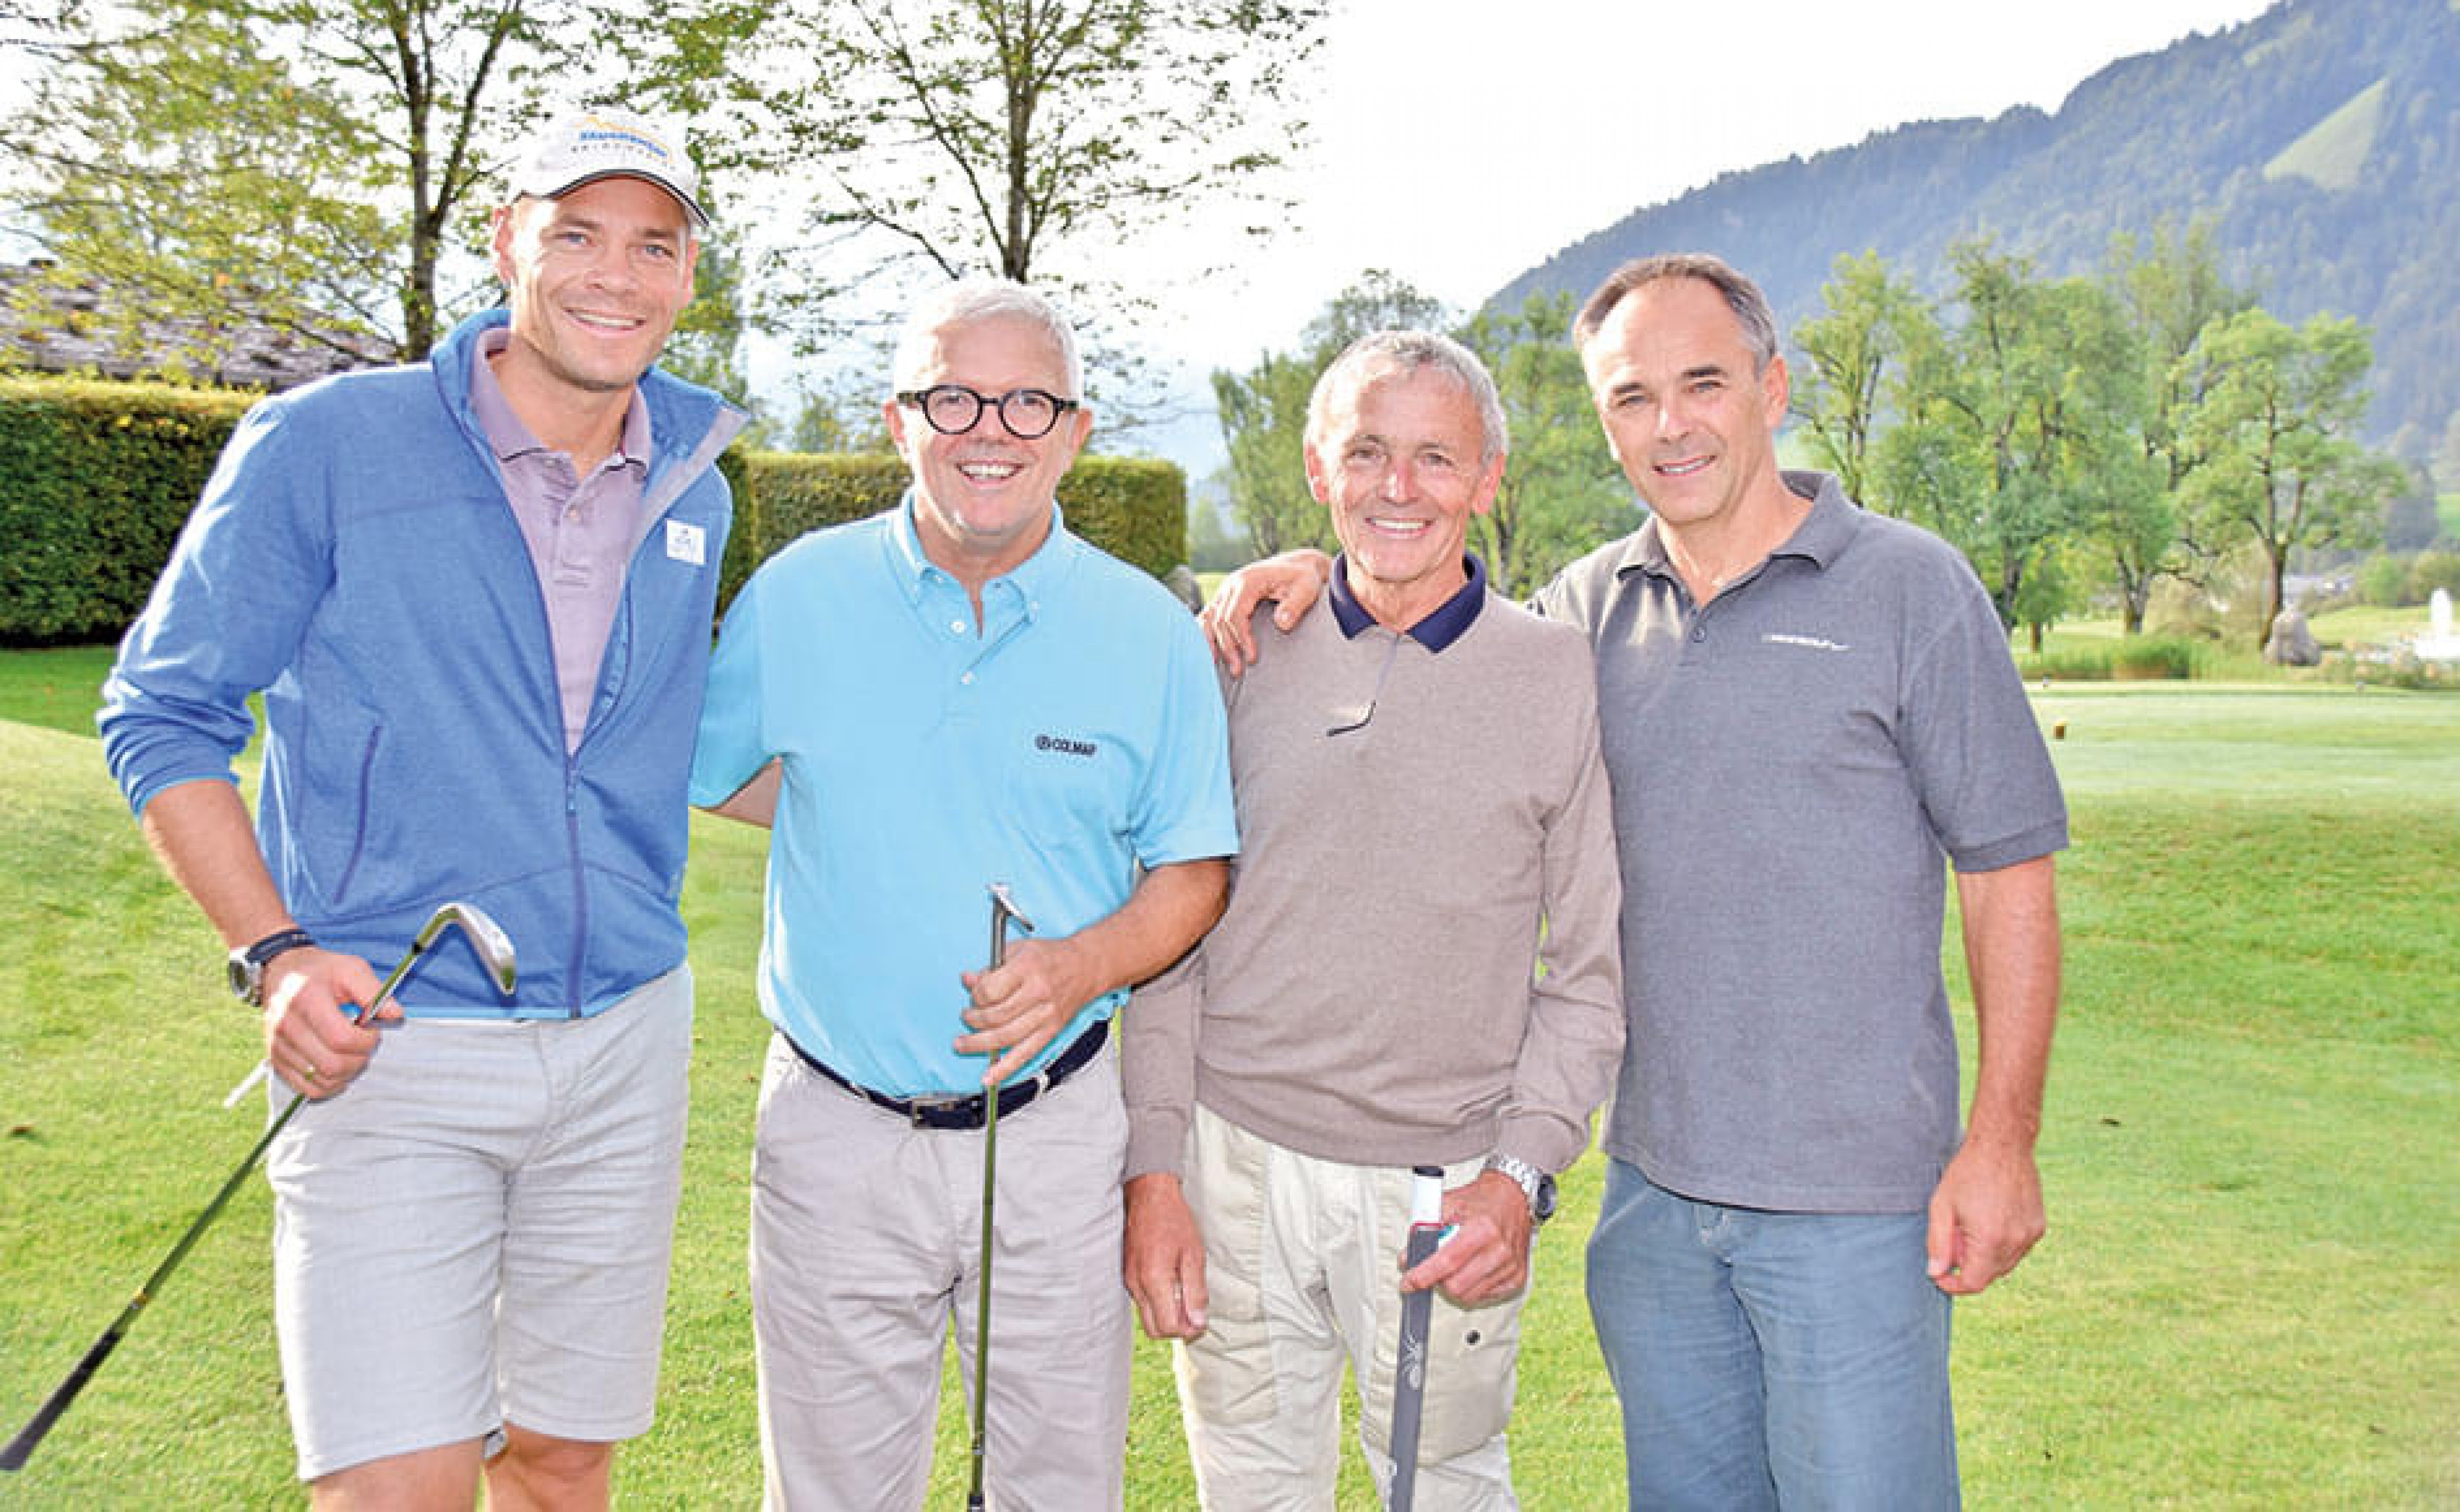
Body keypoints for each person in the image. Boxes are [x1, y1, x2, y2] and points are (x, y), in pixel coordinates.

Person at [1205, 253, 2067, 1510]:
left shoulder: (1909, 588)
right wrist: (1305, 575)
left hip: (1854, 1205)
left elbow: (2010, 878)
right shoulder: (1587, 617)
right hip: (1653, 1202)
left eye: (1702, 383)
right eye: (1630, 397)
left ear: (1772, 390)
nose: (1670, 425)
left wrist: (2003, 1145)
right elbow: (1434, 607)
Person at [95, 106, 737, 1506]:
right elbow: (163, 710)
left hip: (627, 1035)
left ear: (689, 277)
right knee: (395, 1490)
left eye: (652, 245)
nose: (612, 276)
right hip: (391, 1040)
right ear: (509, 240)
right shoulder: (324, 445)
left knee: (566, 1466)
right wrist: (274, 953)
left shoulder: (701, 481)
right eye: (575, 233)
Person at [688, 276, 1237, 1511]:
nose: (991, 428)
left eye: (1028, 401)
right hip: (834, 1131)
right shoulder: (796, 598)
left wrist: (1085, 964)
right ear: (900, 419)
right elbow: (715, 776)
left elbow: (1195, 866)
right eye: (954, 396)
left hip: (1053, 1137)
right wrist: (869, 813)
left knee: (1050, 1491)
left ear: (1076, 431)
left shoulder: (1151, 631)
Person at [1119, 330, 1625, 1510]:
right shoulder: (1234, 652)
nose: (1400, 489)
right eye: (1369, 453)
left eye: (1437, 458)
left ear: (1487, 478)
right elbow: (1170, 935)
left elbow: (1592, 971)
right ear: (1318, 467)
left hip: (1437, 1185)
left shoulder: (1558, 675)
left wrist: (1521, 1170)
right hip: (1231, 1163)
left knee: (1444, 1488)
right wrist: (1155, 1169)